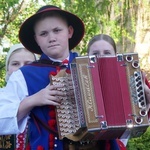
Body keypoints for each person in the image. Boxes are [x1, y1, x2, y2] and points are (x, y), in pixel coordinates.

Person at [0, 5, 85, 150]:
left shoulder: (90, 66)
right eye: (44, 33)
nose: (52, 38)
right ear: (36, 39)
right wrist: (33, 100)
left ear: (69, 32)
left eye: (57, 30)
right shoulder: (24, 75)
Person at [0, 43, 37, 150]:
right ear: (7, 69)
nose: (21, 68)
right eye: (15, 64)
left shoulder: (46, 95)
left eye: (28, 63)